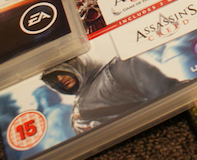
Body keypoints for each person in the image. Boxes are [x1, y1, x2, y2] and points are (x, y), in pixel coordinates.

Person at [41, 54, 180, 133]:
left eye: (61, 71)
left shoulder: (120, 66)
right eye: (53, 80)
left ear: (74, 62)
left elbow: (171, 93)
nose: (60, 79)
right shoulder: (76, 112)